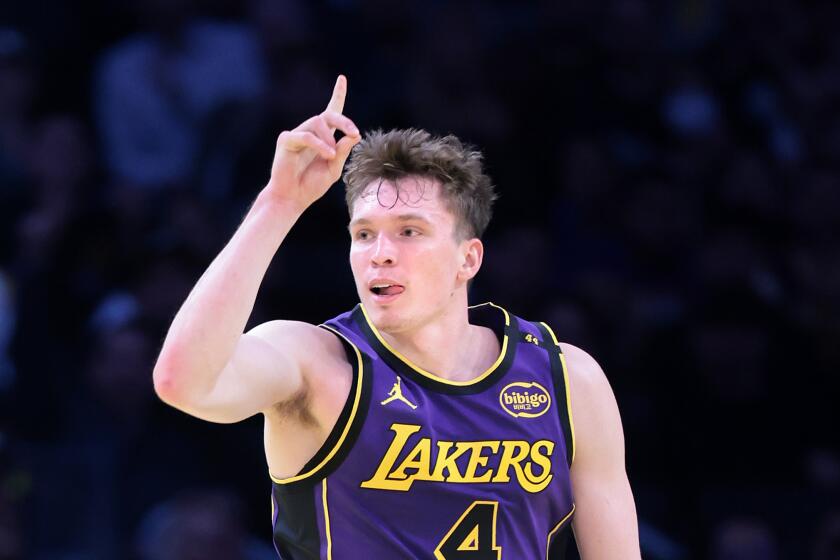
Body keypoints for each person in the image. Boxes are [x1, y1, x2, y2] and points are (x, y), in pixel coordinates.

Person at [154, 76, 641, 558]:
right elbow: (182, 382)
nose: (380, 253)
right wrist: (279, 204)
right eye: (364, 234)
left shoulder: (567, 380)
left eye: (409, 231)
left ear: (467, 259)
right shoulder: (319, 364)